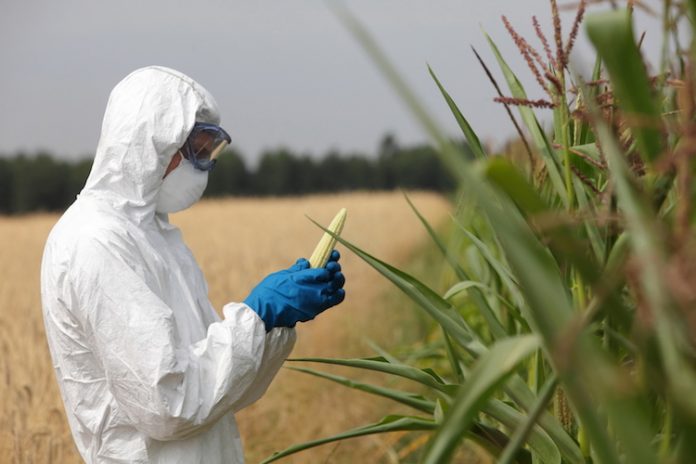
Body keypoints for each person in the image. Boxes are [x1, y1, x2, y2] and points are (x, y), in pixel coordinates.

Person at [40, 66, 346, 463]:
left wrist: (276, 324)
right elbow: (168, 402)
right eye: (196, 149)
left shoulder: (157, 236)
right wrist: (256, 316)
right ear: (152, 143)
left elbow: (223, 390)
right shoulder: (95, 242)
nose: (201, 164)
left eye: (208, 151)